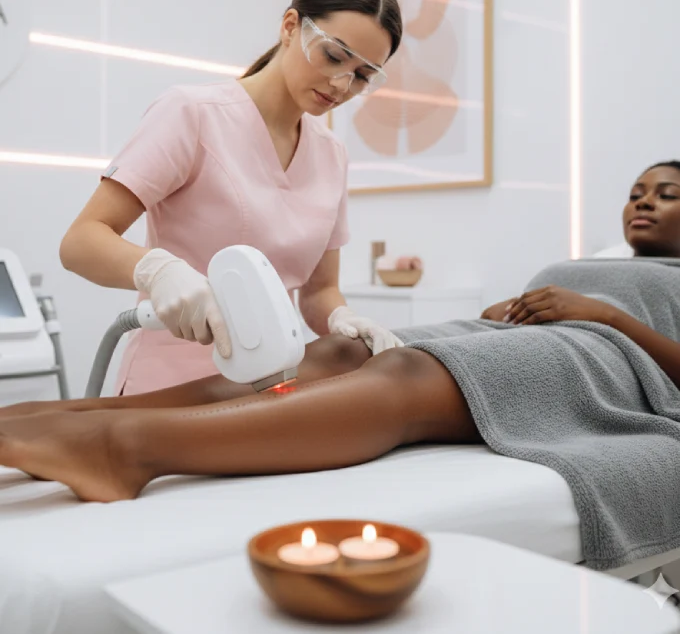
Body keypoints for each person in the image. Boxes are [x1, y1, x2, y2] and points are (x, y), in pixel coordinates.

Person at [1, 161, 679, 506]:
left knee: (409, 374)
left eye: (666, 193)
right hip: (516, 335)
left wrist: (604, 314)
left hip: (606, 359)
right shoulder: (590, 259)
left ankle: (126, 449)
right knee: (340, 349)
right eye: (636, 190)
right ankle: (77, 413)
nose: (642, 200)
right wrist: (519, 306)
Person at [58, 0, 405, 396]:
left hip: (273, 386)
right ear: (290, 26)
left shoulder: (332, 155)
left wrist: (342, 319)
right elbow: (79, 243)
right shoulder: (193, 114)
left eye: (362, 76)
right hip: (169, 388)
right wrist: (158, 271)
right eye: (334, 56)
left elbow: (319, 293)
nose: (340, 83)